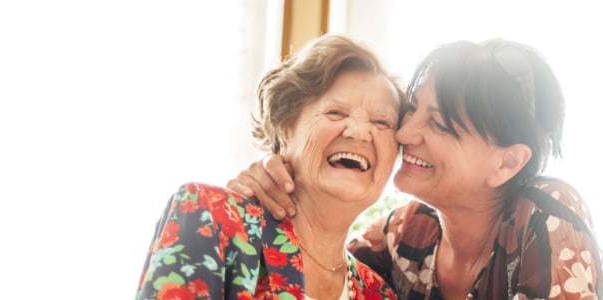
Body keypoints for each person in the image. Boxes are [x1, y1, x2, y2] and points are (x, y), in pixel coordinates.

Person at [230, 38, 603, 299]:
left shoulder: (545, 216)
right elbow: (325, 267)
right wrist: (278, 178)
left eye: (439, 124)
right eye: (412, 109)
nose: (404, 133)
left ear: (505, 162)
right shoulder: (406, 234)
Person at [135, 34, 404, 300]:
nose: (358, 132)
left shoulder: (379, 293)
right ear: (285, 127)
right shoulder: (211, 217)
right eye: (336, 112)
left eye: (382, 122)